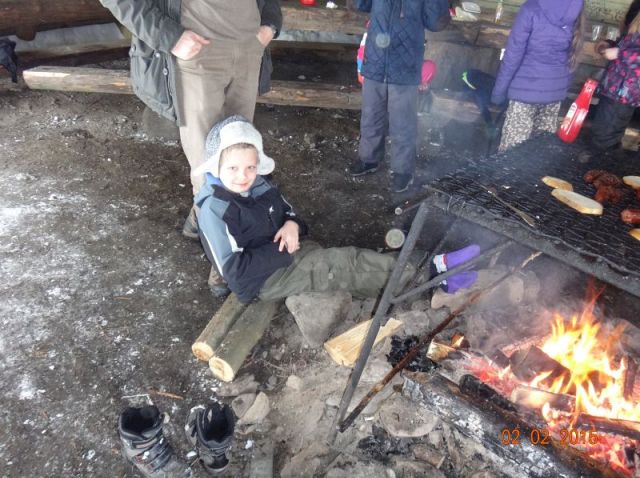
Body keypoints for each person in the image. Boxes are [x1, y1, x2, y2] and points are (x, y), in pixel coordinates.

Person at [195, 115, 480, 303]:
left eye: (250, 167)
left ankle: (413, 278)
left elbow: (292, 216)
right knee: (341, 265)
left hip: (287, 255)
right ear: (216, 166)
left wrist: (292, 226)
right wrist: (286, 249)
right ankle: (433, 276)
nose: (243, 175)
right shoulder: (216, 209)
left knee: (347, 262)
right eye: (232, 167)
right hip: (263, 282)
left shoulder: (259, 186)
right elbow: (234, 272)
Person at [98, 0, 282, 238]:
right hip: (198, 51)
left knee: (241, 152)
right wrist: (169, 36)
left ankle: (208, 221)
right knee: (205, 160)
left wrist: (270, 24)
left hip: (249, 46)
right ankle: (222, 250)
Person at [348, 0, 450, 193]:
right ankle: (369, 159)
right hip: (375, 61)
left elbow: (436, 22)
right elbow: (359, 4)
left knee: (403, 122)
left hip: (406, 65)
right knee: (371, 115)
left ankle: (403, 171)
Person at [491, 0, 584, 152]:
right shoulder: (575, 7)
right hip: (554, 94)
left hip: (525, 93)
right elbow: (573, 56)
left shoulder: (531, 8)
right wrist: (561, 88)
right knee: (539, 153)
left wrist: (498, 93)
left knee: (511, 156)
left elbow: (513, 55)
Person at [590, 3, 640, 152]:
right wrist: (610, 45)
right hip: (616, 89)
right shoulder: (636, 8)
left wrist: (619, 53)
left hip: (625, 92)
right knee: (603, 133)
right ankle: (601, 168)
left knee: (604, 138)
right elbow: (631, 45)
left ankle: (600, 169)